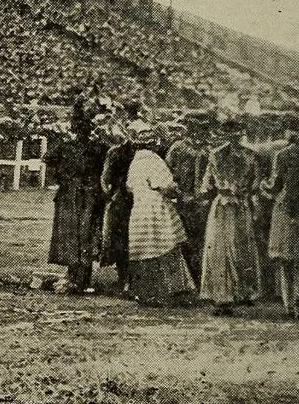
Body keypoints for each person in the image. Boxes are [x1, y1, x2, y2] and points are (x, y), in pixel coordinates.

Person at [198, 115, 263, 315]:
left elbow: (206, 186)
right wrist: (254, 204)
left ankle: (223, 295)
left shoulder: (215, 155)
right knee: (238, 246)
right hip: (240, 205)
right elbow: (255, 186)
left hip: (223, 205)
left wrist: (209, 193)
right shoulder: (250, 155)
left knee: (220, 247)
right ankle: (239, 293)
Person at [125, 121, 195, 307]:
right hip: (156, 208)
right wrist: (178, 191)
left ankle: (145, 292)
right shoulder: (154, 161)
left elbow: (129, 187)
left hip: (140, 207)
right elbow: (166, 186)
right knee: (165, 247)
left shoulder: (135, 163)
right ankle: (169, 291)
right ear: (152, 144)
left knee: (145, 250)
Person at [44, 98, 108, 293]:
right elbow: (48, 160)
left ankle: (78, 276)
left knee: (79, 234)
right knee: (81, 234)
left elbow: (48, 160)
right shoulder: (95, 147)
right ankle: (79, 276)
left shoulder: (76, 147)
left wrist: (62, 177)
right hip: (82, 193)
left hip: (80, 194)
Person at [262, 116, 299, 319]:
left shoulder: (282, 155)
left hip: (286, 207)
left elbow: (275, 185)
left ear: (292, 133)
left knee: (286, 258)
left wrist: (263, 185)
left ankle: (289, 304)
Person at [165, 113, 212, 280]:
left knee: (201, 239)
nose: (199, 132)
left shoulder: (208, 150)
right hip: (183, 200)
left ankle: (199, 277)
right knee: (184, 239)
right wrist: (178, 192)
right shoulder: (178, 148)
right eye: (195, 128)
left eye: (202, 128)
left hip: (203, 202)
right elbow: (168, 173)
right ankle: (188, 277)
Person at [99, 120, 136, 295]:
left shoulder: (117, 152)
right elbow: (105, 178)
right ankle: (126, 279)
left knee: (124, 239)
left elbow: (105, 179)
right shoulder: (118, 153)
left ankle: (127, 279)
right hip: (128, 198)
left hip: (127, 198)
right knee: (125, 239)